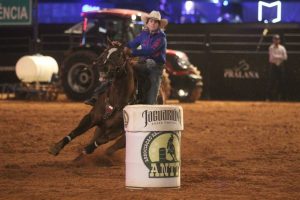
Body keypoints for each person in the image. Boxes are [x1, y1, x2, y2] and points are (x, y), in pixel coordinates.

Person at [84, 10, 168, 106]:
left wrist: (132, 52)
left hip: (155, 66)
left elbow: (149, 51)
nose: (153, 24)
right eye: (151, 21)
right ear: (148, 23)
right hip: (142, 62)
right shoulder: (143, 35)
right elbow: (132, 43)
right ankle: (97, 95)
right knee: (120, 70)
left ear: (158, 25)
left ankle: (150, 103)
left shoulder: (161, 38)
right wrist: (122, 47)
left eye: (155, 22)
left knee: (152, 86)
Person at [266, 34, 288, 101]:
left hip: (280, 66)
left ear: (279, 40)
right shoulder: (271, 48)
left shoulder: (282, 48)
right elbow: (271, 58)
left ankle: (283, 98)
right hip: (273, 66)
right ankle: (269, 98)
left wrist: (276, 57)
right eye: (275, 39)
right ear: (273, 40)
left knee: (282, 82)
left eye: (277, 39)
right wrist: (280, 57)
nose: (276, 40)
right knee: (271, 82)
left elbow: (285, 57)